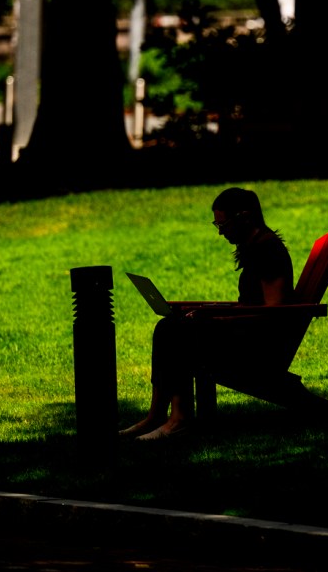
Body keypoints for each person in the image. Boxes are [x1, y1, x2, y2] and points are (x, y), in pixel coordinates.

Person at [122, 187, 296, 441]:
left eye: (222, 223)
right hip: (248, 334)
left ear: (244, 216)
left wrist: (218, 319)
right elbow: (252, 306)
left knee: (178, 331)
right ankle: (157, 415)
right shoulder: (257, 247)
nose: (220, 231)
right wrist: (209, 313)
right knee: (169, 325)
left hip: (259, 348)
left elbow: (274, 311)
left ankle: (179, 420)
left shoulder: (268, 251)